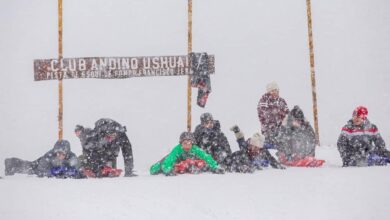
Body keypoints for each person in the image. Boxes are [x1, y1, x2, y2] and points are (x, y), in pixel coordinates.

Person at [150, 132, 224, 175]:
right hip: (175, 161)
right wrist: (168, 170)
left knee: (197, 163)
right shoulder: (177, 149)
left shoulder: (195, 149)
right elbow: (169, 160)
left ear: (192, 143)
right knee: (155, 169)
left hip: (186, 162)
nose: (187, 146)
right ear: (181, 143)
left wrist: (215, 167)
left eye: (189, 143)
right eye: (185, 143)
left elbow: (206, 157)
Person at [4, 140, 80, 178]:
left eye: (62, 153)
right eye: (57, 153)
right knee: (29, 167)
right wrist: (52, 172)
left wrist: (71, 171)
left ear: (67, 153)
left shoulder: (72, 157)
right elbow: (40, 171)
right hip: (39, 165)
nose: (59, 155)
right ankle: (11, 164)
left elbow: (78, 170)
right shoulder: (49, 156)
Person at [257, 81, 289, 148]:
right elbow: (264, 116)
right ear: (269, 92)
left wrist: (287, 120)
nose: (275, 92)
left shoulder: (281, 101)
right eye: (273, 91)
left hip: (281, 130)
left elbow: (287, 113)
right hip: (269, 130)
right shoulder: (264, 100)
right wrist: (276, 114)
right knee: (273, 145)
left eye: (276, 90)